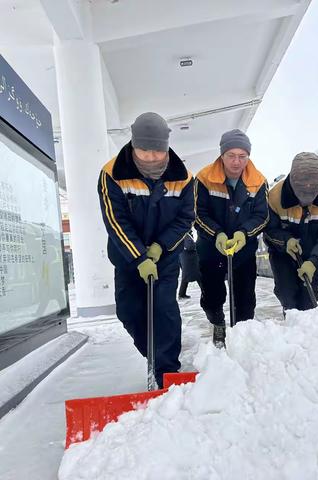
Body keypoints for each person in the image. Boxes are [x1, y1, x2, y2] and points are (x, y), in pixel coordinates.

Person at [97, 112, 194, 387]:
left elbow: (185, 218)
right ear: (133, 143)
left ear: (166, 147)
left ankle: (167, 372)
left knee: (163, 308)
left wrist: (160, 248)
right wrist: (139, 256)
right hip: (128, 259)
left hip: (164, 259)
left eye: (157, 150)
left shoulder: (184, 178)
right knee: (128, 311)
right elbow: (116, 221)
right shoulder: (112, 173)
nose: (151, 157)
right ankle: (153, 356)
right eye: (144, 150)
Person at [194, 129, 269, 346]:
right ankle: (218, 323)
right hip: (211, 249)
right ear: (222, 154)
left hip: (243, 250)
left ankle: (242, 338)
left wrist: (243, 234)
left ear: (248, 156)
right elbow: (198, 213)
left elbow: (262, 216)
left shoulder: (258, 181)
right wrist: (216, 234)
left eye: (242, 156)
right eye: (231, 155)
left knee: (245, 299)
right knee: (211, 298)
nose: (237, 162)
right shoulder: (204, 178)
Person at [264, 152, 318, 312]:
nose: (306, 198)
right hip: (283, 254)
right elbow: (269, 231)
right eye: (301, 191)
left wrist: (314, 262)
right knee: (287, 293)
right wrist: (286, 242)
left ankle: (308, 329)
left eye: (313, 191)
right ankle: (292, 322)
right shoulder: (274, 197)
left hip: (312, 253)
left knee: (308, 298)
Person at [178, 231, 201, 299]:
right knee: (199, 276)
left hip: (186, 259)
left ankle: (182, 294)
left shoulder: (183, 234)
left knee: (186, 278)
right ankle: (205, 291)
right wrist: (197, 245)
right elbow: (190, 246)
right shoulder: (186, 235)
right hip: (189, 260)